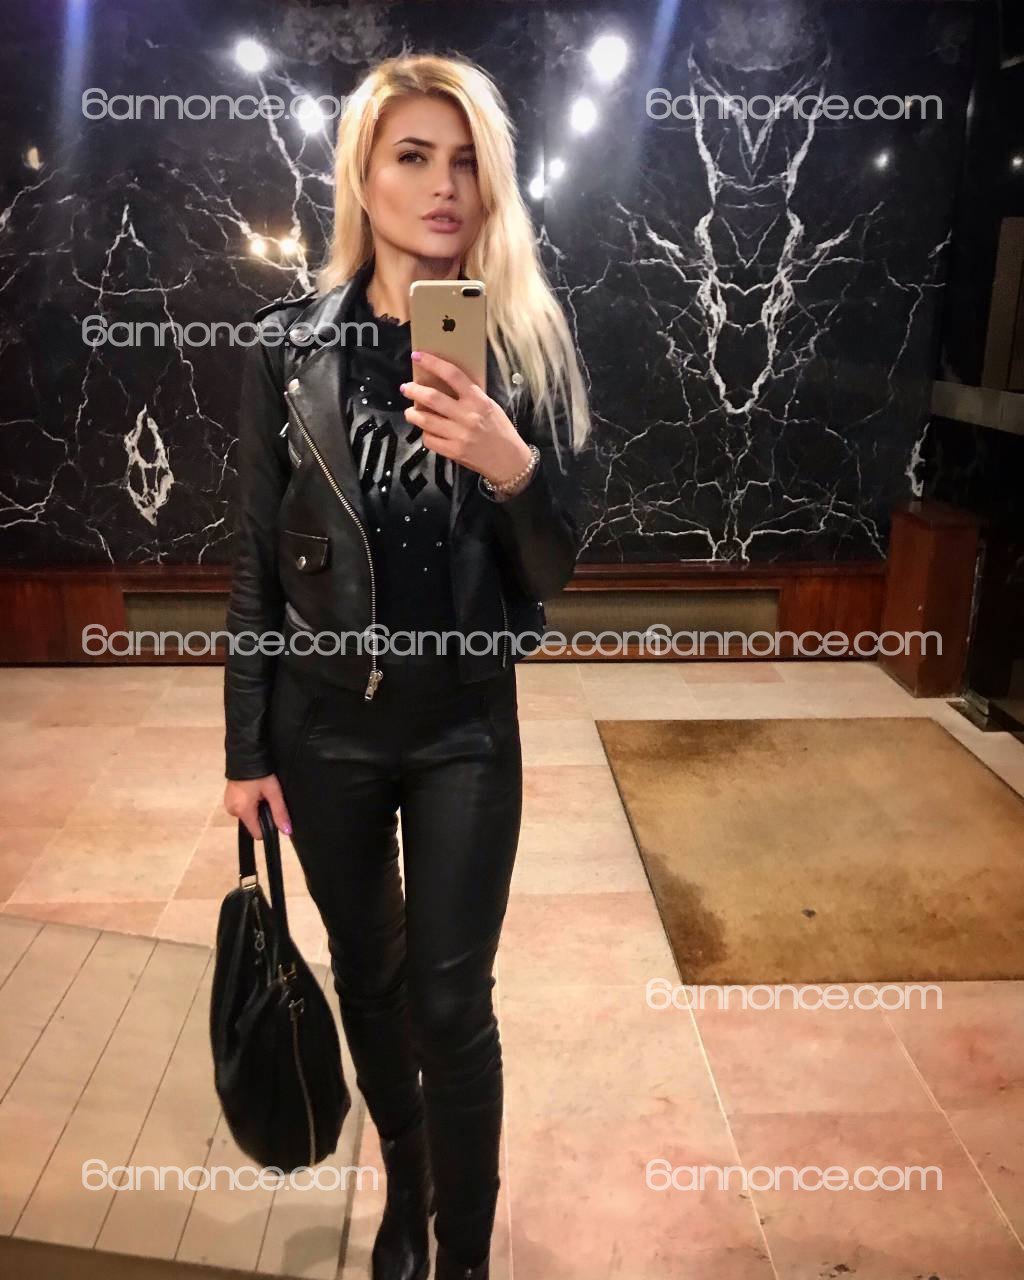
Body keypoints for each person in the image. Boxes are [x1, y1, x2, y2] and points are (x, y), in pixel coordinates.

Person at [222, 52, 591, 1280]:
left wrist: (508, 460)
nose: (444, 185)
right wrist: (244, 749)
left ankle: (465, 1253)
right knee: (368, 985)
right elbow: (253, 564)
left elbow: (553, 567)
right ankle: (407, 1184)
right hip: (323, 726)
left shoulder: (523, 346)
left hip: (465, 726)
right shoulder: (287, 349)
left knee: (448, 1001)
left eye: (467, 161)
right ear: (363, 177)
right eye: (414, 156)